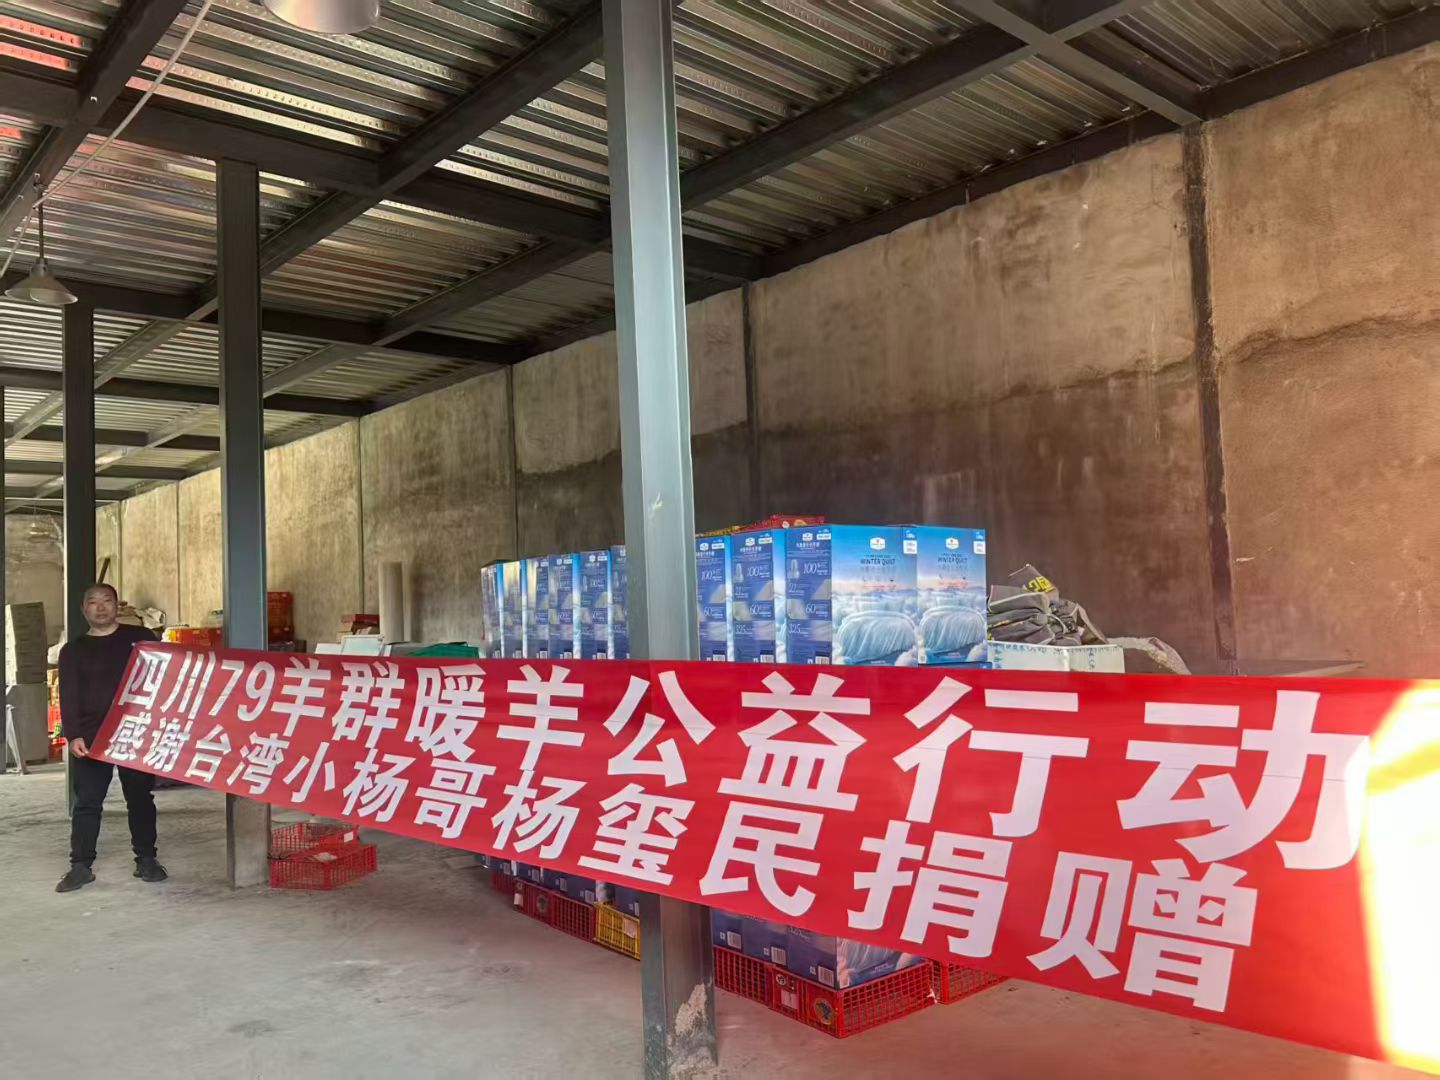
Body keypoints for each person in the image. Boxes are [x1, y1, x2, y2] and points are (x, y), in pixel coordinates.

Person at [55, 583, 166, 893]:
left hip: (135, 732)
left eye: (107, 601)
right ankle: (80, 866)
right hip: (92, 736)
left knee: (140, 798)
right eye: (93, 602)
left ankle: (146, 860)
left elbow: (165, 677)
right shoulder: (73, 650)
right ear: (84, 609)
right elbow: (68, 694)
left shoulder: (141, 638)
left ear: (118, 606)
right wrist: (73, 734)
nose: (101, 607)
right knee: (87, 802)